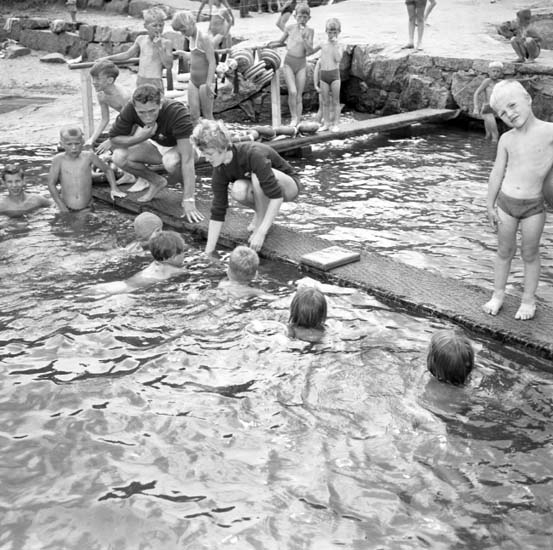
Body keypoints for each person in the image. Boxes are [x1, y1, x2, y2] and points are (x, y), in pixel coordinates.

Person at [482, 80, 553, 321]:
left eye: (512, 105)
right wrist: (489, 204)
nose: (509, 114)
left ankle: (528, 300)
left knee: (530, 253)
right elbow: (496, 172)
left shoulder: (549, 132)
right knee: (504, 251)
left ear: (528, 99)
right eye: (502, 113)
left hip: (534, 206)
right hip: (506, 204)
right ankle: (498, 295)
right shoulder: (507, 139)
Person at [191, 119, 301, 254]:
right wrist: (208, 252)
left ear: (223, 147)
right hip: (263, 189)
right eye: (204, 154)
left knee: (256, 176)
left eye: (210, 154)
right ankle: (260, 216)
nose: (207, 159)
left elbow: (276, 197)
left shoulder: (253, 153)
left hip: (289, 186)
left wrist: (261, 232)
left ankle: (261, 222)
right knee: (238, 190)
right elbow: (218, 210)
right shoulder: (219, 169)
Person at [108, 85, 203, 223]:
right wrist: (141, 137)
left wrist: (189, 199)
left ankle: (187, 190)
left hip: (187, 147)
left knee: (170, 161)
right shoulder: (130, 108)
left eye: (152, 111)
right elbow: (114, 139)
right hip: (157, 144)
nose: (147, 117)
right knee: (118, 156)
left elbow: (187, 159)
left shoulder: (177, 111)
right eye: (141, 112)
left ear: (161, 103)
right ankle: (156, 181)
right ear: (134, 107)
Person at [47, 126, 125, 212]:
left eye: (77, 143)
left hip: (87, 207)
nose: (74, 147)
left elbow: (108, 170)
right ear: (62, 144)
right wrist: (60, 204)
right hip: (66, 207)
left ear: (82, 142)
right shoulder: (58, 160)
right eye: (69, 144)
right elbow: (51, 183)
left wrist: (114, 188)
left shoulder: (89, 156)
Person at [88, 230, 188, 295]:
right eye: (183, 251)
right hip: (129, 289)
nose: (184, 254)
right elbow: (186, 272)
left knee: (94, 292)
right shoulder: (173, 270)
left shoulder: (156, 262)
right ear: (174, 257)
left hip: (125, 283)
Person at [98, 7, 173, 92]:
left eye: (161, 25)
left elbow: (168, 65)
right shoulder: (141, 39)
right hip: (141, 79)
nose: (158, 28)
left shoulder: (166, 43)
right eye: (154, 25)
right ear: (145, 26)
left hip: (155, 80)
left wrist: (159, 47)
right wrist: (108, 58)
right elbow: (127, 54)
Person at [267, 3, 316, 126]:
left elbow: (310, 51)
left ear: (309, 18)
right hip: (289, 63)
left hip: (302, 64)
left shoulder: (310, 31)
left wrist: (305, 39)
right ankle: (293, 117)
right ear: (295, 16)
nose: (302, 19)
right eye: (300, 17)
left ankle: (297, 121)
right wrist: (270, 44)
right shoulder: (290, 28)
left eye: (305, 17)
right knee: (292, 91)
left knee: (299, 94)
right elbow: (280, 41)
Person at [171, 11, 216, 123]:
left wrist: (209, 83)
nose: (183, 34)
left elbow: (212, 61)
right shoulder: (191, 37)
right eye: (180, 31)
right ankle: (196, 133)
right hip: (193, 81)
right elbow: (197, 55)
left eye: (183, 30)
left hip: (205, 81)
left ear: (191, 23)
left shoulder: (204, 38)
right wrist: (183, 54)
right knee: (193, 115)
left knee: (207, 115)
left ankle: (215, 133)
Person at [313, 18, 344, 132]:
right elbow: (311, 51)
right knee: (325, 102)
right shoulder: (323, 43)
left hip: (334, 75)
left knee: (336, 101)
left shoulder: (339, 45)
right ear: (326, 31)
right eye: (330, 32)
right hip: (324, 75)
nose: (332, 35)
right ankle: (326, 124)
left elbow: (338, 59)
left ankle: (335, 124)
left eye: (334, 32)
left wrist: (335, 45)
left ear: (338, 32)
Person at [472, 61, 503, 142]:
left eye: (498, 71)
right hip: (487, 109)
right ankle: (493, 149)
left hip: (495, 109)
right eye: (493, 71)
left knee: (488, 135)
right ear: (489, 72)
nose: (495, 73)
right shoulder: (487, 81)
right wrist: (476, 107)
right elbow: (476, 93)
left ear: (501, 73)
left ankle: (485, 148)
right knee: (495, 135)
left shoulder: (501, 82)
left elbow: (514, 82)